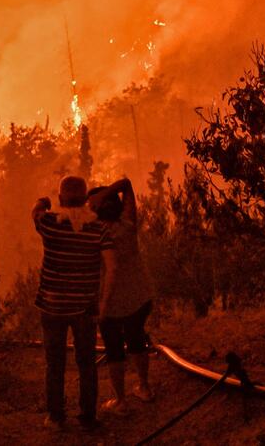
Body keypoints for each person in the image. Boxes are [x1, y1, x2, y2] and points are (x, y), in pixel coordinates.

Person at [32, 175, 116, 432]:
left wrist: (42, 202)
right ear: (86, 199)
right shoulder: (99, 230)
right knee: (87, 362)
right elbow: (111, 267)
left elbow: (35, 214)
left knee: (54, 364)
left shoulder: (49, 224)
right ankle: (88, 417)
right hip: (85, 307)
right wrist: (103, 303)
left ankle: (56, 417)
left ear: (61, 199)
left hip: (52, 305)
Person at [88, 177, 155, 416]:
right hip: (138, 295)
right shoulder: (128, 225)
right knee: (137, 341)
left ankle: (120, 400)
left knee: (114, 349)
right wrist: (107, 192)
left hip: (110, 302)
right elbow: (127, 182)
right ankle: (144, 388)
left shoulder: (93, 233)